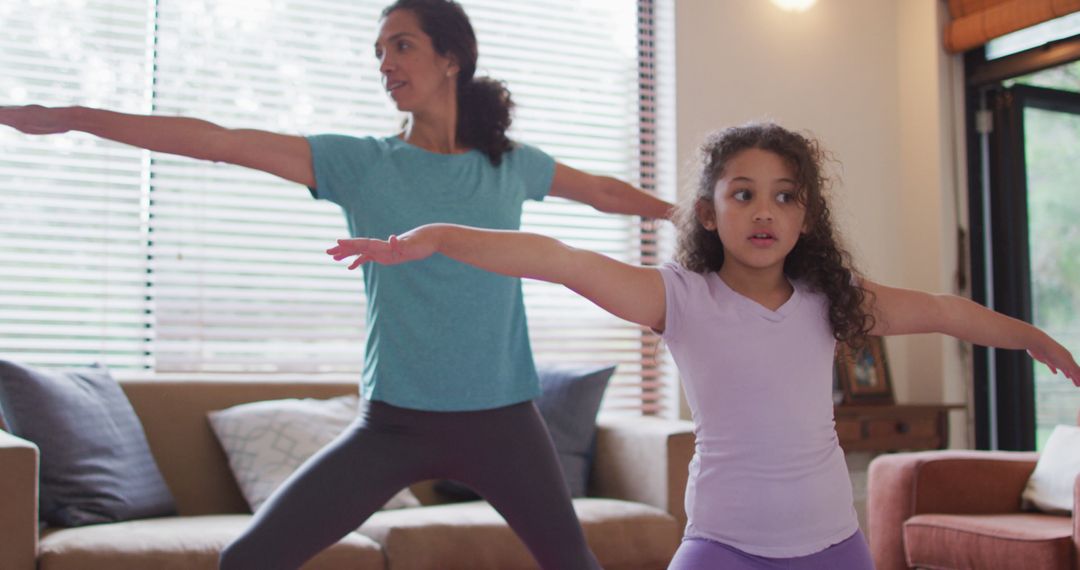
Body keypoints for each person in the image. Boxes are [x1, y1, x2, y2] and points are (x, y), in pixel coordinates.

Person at [0, 1, 673, 568]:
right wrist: (75, 117)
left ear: (451, 59)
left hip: (504, 420)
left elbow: (605, 193)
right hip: (395, 424)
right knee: (247, 561)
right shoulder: (360, 165)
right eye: (379, 51)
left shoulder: (508, 167)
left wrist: (687, 213)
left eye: (401, 46)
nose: (385, 64)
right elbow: (220, 140)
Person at [327, 121, 1080, 570]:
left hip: (832, 546)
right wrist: (429, 239)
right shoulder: (679, 299)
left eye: (785, 194)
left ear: (806, 216)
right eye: (742, 192)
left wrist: (1033, 338)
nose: (764, 211)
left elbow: (948, 312)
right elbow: (554, 258)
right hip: (724, 544)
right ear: (709, 214)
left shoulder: (833, 301)